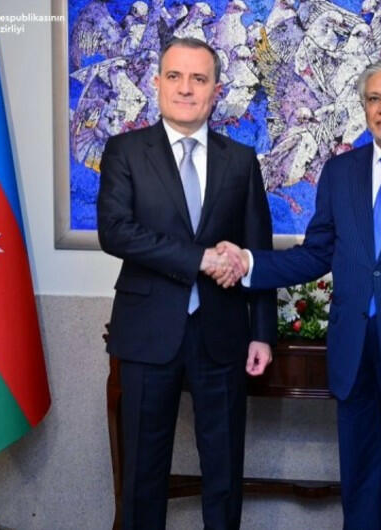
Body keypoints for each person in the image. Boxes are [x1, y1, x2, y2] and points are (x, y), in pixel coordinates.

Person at [216, 58, 381, 529]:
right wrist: (249, 263)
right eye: (374, 99)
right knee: (358, 484)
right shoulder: (341, 172)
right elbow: (316, 254)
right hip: (353, 352)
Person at [97, 38, 276, 530]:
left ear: (216, 91)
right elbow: (116, 232)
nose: (185, 88)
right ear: (156, 84)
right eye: (175, 76)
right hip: (147, 331)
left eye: (199, 79)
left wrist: (262, 332)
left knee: (224, 471)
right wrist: (200, 259)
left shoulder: (241, 160)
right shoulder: (125, 152)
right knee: (142, 471)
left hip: (222, 334)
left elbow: (257, 251)